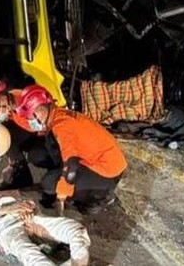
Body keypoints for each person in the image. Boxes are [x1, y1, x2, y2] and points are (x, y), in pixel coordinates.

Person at [16, 84, 127, 215]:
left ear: (39, 110)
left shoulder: (62, 125)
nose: (29, 121)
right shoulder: (57, 116)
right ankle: (64, 177)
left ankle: (102, 196)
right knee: (39, 154)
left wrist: (61, 195)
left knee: (49, 184)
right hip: (97, 157)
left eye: (30, 117)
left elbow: (71, 166)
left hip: (108, 170)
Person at [0, 184, 90, 266]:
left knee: (75, 229)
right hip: (4, 226)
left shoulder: (1, 193)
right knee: (29, 254)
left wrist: (38, 227)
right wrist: (5, 209)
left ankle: (79, 261)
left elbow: (29, 202)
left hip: (29, 219)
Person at [0, 78, 53, 190]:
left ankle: (56, 170)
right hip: (31, 131)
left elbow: (48, 125)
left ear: (1, 99)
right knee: (3, 134)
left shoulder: (27, 103)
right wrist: (12, 163)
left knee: (37, 156)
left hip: (45, 135)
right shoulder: (11, 105)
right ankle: (19, 173)